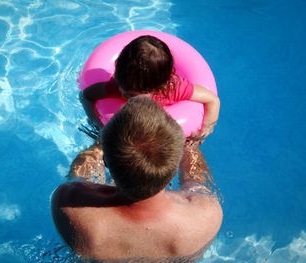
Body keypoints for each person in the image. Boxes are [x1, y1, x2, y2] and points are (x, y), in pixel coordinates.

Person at [52, 97, 223, 262]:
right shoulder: (206, 217)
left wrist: (101, 142)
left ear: (106, 161)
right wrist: (191, 144)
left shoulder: (71, 206)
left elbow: (82, 179)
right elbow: (196, 180)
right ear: (173, 168)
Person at [71, 35, 220, 184]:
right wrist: (99, 125)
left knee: (190, 149)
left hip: (163, 135)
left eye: (132, 94)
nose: (126, 95)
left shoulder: (173, 88)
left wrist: (206, 128)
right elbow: (85, 97)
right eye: (126, 92)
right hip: (125, 132)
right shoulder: (118, 84)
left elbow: (212, 100)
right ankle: (83, 186)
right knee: (99, 145)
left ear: (159, 87)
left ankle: (194, 189)